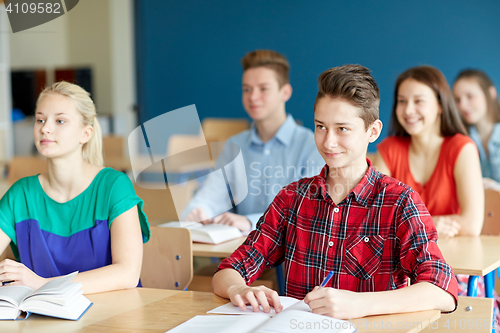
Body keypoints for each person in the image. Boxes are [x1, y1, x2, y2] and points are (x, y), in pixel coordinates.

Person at [212, 65, 458, 319]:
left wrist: (360, 304)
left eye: (342, 129)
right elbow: (228, 271)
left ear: (372, 131)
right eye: (321, 126)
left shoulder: (400, 202)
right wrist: (238, 288)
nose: (328, 141)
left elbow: (442, 291)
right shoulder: (292, 199)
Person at [0, 81, 150, 294]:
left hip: (113, 318)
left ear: (86, 134)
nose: (45, 128)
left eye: (60, 120)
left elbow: (127, 273)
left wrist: (42, 285)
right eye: (40, 119)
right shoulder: (21, 194)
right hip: (43, 322)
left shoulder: (114, 186)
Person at [181, 50, 324, 232]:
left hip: (291, 257)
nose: (253, 97)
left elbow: (307, 212)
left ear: (285, 92)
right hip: (243, 254)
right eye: (247, 89)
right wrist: (198, 211)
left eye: (263, 88)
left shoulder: (311, 146)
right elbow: (212, 194)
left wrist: (250, 222)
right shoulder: (234, 146)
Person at [374, 66, 484, 239]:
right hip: (401, 262)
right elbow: (375, 219)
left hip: (455, 260)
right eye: (402, 101)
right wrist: (428, 224)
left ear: (440, 105)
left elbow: (472, 225)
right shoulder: (389, 149)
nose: (408, 110)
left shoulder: (462, 148)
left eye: (418, 101)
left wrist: (406, 226)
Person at [453, 69, 500, 186]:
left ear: (491, 93)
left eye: (470, 96)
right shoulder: (460, 140)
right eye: (457, 100)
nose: (462, 106)